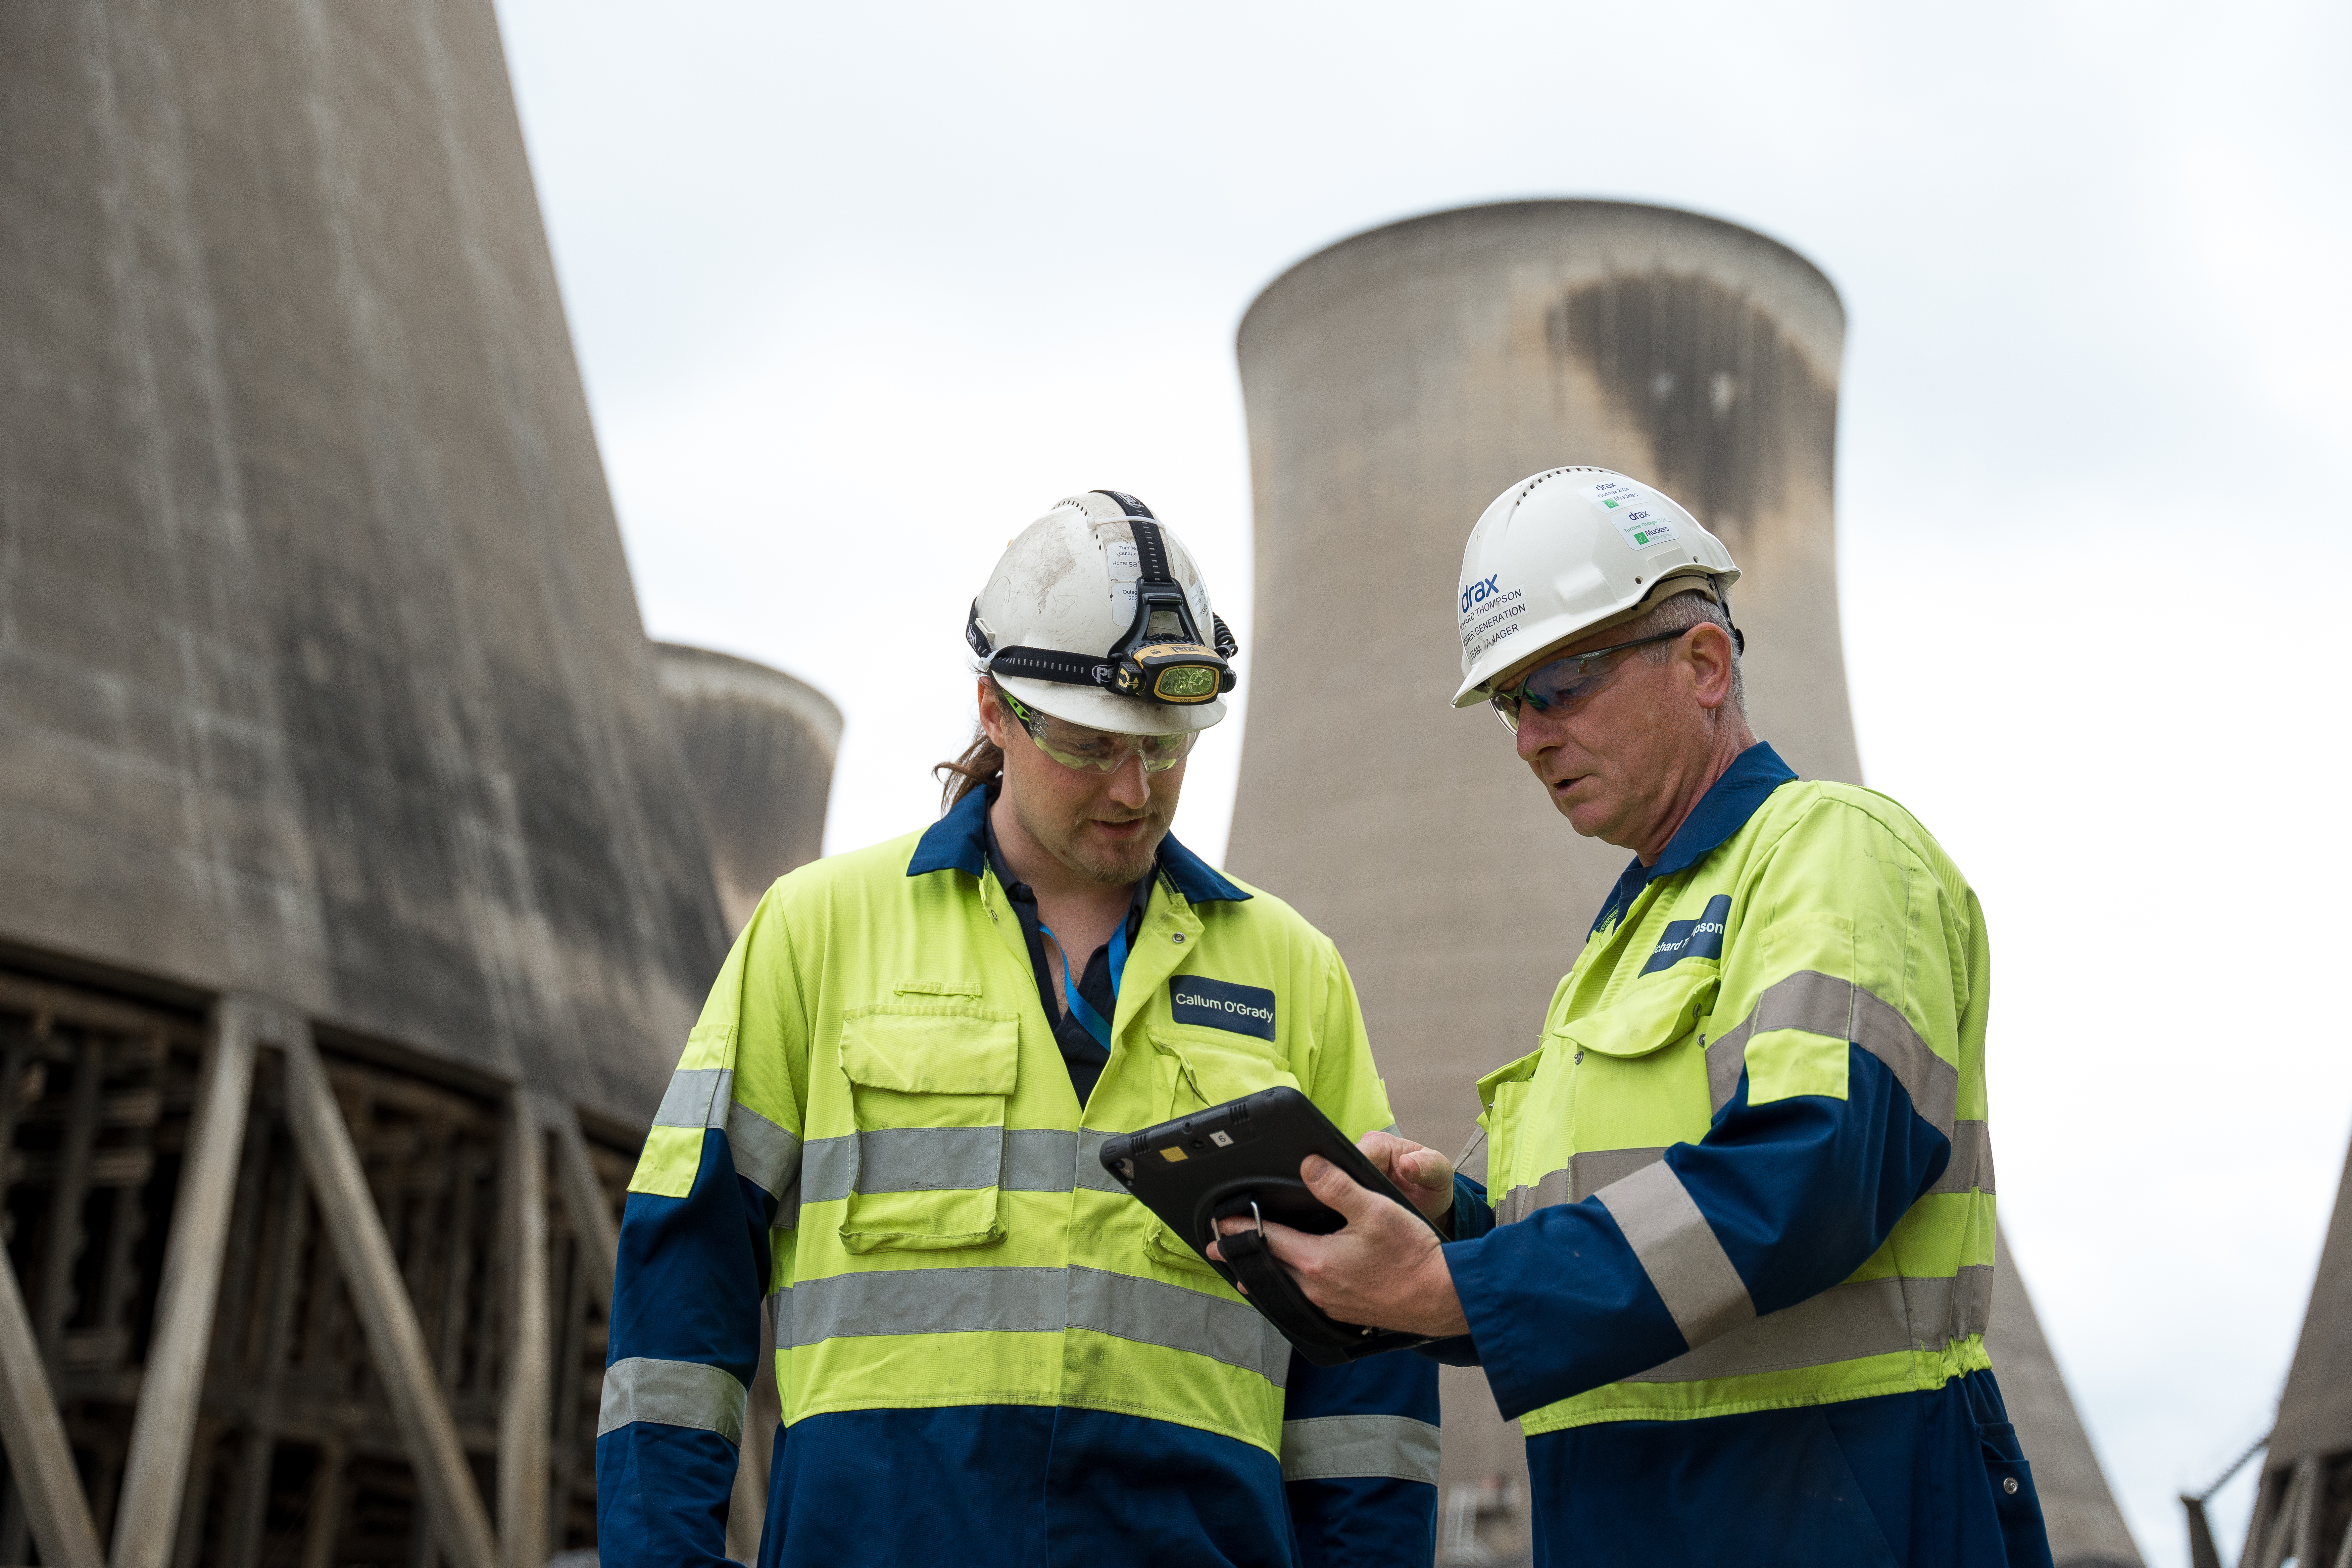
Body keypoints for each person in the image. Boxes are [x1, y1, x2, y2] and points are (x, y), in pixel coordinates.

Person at [1212, 468, 2055, 1566]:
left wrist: (1460, 1285)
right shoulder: (1621, 946)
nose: (1530, 740)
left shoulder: (1835, 853)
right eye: (1511, 704)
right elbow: (1597, 1248)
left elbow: (1814, 1170)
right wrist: (1451, 1226)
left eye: (1560, 686)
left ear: (1704, 664)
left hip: (1837, 1514)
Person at [597, 489, 1439, 1567]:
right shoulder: (819, 932)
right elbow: (683, 1272)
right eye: (1091, 747)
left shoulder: (1293, 973)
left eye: (1166, 749)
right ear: (996, 710)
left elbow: (1369, 1352)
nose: (1134, 790)